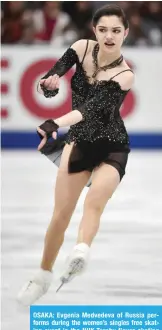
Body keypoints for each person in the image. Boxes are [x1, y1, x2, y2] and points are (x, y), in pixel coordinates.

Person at [17, 4, 134, 306]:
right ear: (94, 30)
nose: (109, 36)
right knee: (60, 216)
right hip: (79, 143)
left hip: (112, 145)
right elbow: (54, 75)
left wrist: (55, 121)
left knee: (94, 203)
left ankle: (81, 251)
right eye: (103, 29)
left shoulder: (125, 75)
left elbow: (90, 111)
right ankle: (42, 276)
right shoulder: (80, 48)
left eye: (116, 31)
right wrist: (48, 83)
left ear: (126, 34)